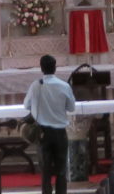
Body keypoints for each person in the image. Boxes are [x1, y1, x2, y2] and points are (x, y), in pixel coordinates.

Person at [25, 53, 77, 194]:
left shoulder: (36, 86)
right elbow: (71, 108)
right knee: (61, 172)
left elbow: (26, 105)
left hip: (43, 133)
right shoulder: (64, 86)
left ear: (41, 68)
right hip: (60, 133)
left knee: (45, 173)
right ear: (55, 67)